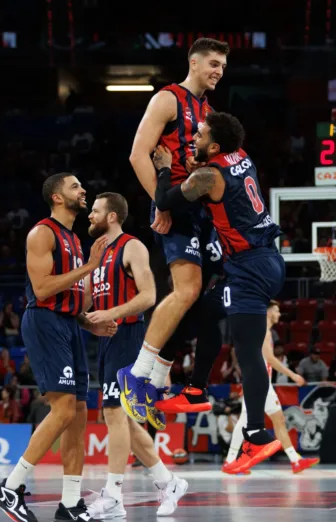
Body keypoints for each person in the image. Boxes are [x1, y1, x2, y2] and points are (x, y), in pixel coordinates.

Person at [146, 111, 284, 472]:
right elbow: (215, 180)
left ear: (216, 145)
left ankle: (256, 435)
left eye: (201, 134)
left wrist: (164, 166)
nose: (194, 137)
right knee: (205, 310)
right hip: (263, 259)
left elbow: (164, 199)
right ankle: (195, 390)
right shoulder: (240, 156)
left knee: (248, 351)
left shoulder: (208, 176)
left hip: (249, 268)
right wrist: (198, 164)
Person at [0, 173, 115, 522]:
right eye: (75, 186)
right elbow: (43, 289)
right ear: (57, 197)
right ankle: (10, 487)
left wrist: (90, 323)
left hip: (68, 325)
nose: (83, 190)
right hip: (44, 322)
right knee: (62, 409)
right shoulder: (42, 233)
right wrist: (90, 267)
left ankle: (71, 505)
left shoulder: (74, 239)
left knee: (78, 411)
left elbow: (71, 297)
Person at [125, 38, 230, 424]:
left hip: (200, 211)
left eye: (222, 66)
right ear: (194, 62)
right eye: (213, 63)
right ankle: (136, 374)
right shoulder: (168, 99)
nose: (218, 71)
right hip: (175, 207)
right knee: (186, 291)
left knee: (198, 299)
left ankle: (156, 377)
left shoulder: (208, 111)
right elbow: (138, 153)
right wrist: (160, 202)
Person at [83, 192, 188, 519]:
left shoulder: (132, 246)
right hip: (106, 341)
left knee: (115, 414)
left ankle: (113, 495)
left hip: (130, 336)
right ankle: (168, 482)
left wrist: (110, 313)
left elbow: (149, 296)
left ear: (112, 215)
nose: (90, 215)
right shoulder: (98, 252)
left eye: (96, 210)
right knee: (119, 418)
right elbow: (86, 304)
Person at [223, 300, 318, 475]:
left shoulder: (261, 330)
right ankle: (230, 461)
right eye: (276, 310)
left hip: (260, 382)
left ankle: (295, 460)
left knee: (275, 420)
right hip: (260, 383)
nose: (279, 314)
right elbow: (271, 359)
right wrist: (293, 375)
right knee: (248, 420)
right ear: (267, 312)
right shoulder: (263, 331)